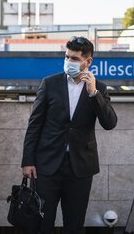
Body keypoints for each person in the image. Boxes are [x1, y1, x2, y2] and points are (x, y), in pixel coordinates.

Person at [21, 36, 118, 234]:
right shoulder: (50, 83)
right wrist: (27, 161)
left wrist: (94, 94)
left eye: (74, 59)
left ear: (87, 62)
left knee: (74, 225)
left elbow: (110, 123)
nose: (68, 62)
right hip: (47, 166)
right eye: (67, 57)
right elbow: (34, 125)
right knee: (41, 224)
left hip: (80, 168)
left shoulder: (99, 88)